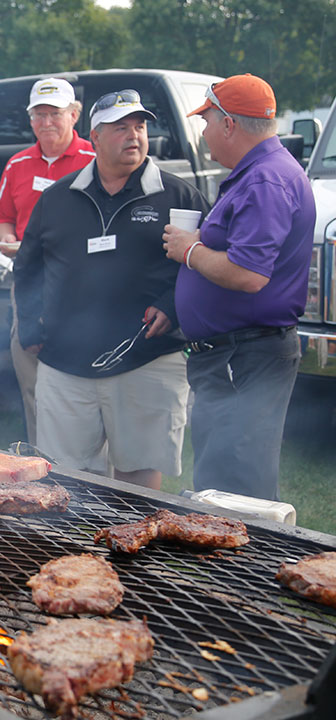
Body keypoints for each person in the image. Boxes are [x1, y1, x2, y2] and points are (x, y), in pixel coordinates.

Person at [14, 90, 207, 489]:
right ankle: (75, 550)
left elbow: (202, 265)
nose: (134, 135)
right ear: (95, 137)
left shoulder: (179, 196)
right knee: (66, 476)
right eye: (121, 128)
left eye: (140, 126)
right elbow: (28, 267)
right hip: (65, 363)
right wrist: (31, 329)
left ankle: (132, 550)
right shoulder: (57, 198)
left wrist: (171, 305)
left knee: (137, 475)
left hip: (147, 359)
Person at [163, 74, 313, 501]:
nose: (204, 131)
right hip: (236, 355)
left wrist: (189, 251)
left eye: (207, 121)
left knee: (236, 490)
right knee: (224, 476)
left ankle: (248, 567)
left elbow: (249, 274)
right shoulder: (262, 172)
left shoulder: (265, 180)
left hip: (244, 355)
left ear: (229, 124)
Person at [0, 78, 96, 444]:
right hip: (30, 283)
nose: (47, 122)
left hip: (82, 288)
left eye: (55, 114)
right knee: (33, 382)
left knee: (87, 384)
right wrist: (5, 237)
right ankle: (43, 461)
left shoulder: (94, 160)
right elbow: (2, 217)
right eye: (39, 114)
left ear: (74, 115)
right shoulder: (18, 163)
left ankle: (94, 471)